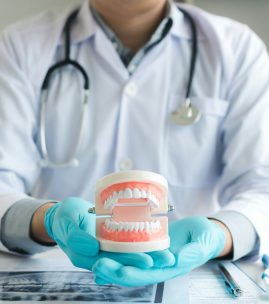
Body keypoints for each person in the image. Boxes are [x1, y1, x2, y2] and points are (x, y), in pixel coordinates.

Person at [0, 0, 268, 286]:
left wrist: (218, 235)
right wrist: (47, 220)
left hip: (193, 279)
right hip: (58, 279)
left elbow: (262, 185)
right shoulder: (19, 46)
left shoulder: (238, 49)